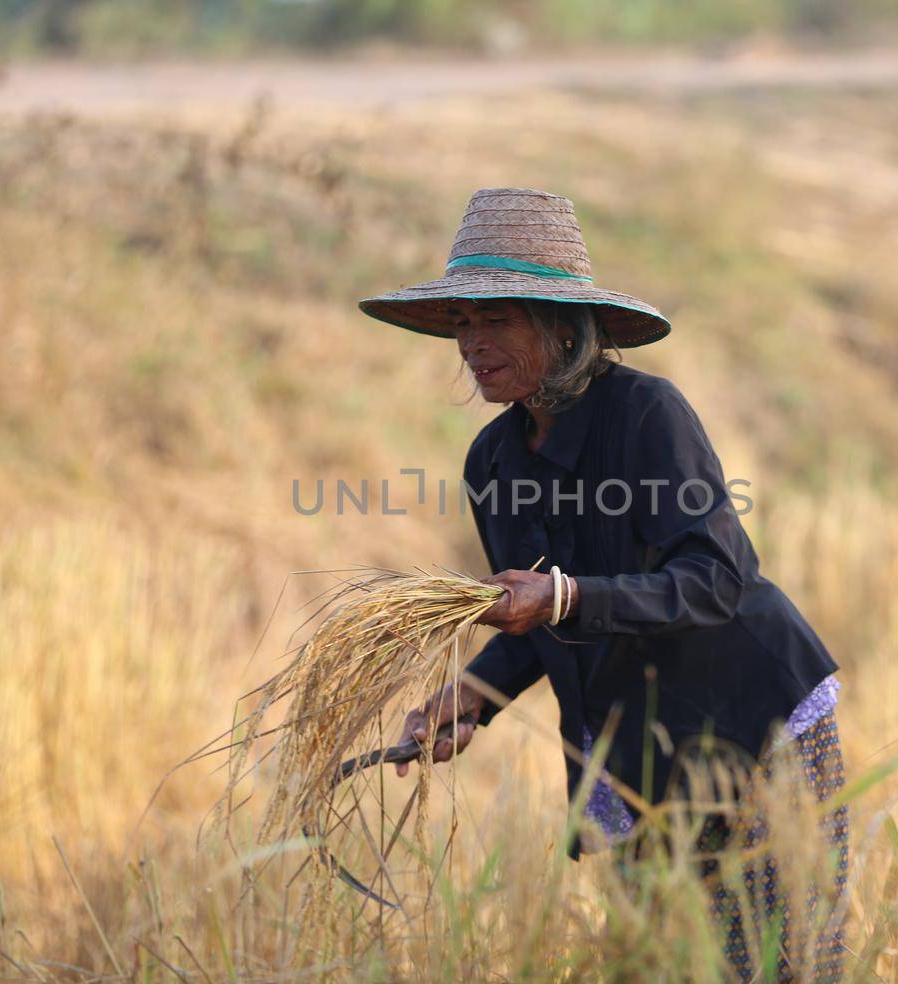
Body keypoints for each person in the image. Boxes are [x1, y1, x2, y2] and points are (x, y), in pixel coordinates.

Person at [358, 187, 848, 981]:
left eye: (495, 320)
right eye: (461, 322)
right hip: (632, 749)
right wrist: (475, 695)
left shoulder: (647, 415)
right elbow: (538, 616)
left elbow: (716, 576)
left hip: (748, 722)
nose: (472, 344)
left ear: (562, 328)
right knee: (665, 962)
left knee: (775, 963)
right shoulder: (493, 461)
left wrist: (563, 598)